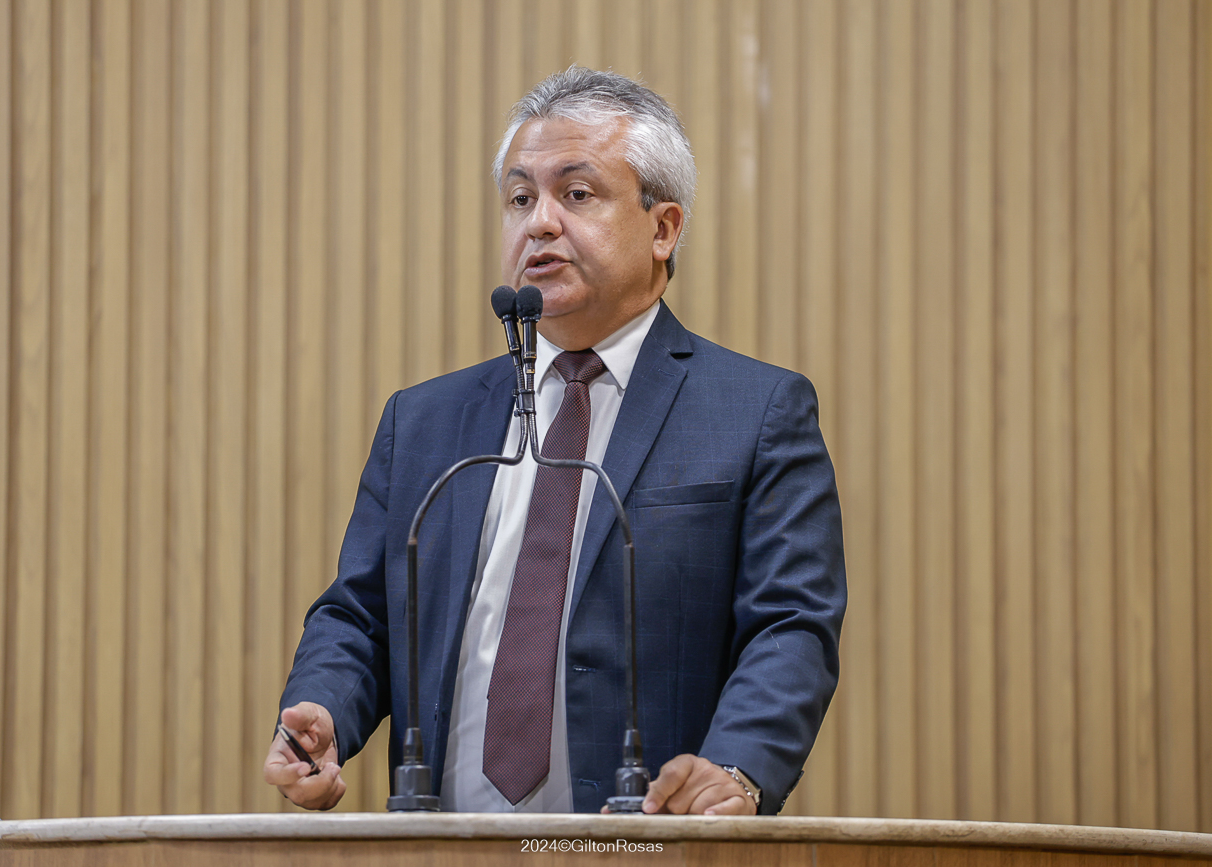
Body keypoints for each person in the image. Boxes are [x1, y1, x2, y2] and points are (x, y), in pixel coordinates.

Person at [262, 67, 846, 816]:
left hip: (647, 842)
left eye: (576, 193)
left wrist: (736, 768)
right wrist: (323, 712)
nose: (539, 223)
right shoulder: (425, 421)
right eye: (519, 198)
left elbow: (790, 625)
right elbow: (363, 613)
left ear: (663, 228)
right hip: (441, 845)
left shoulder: (754, 412)